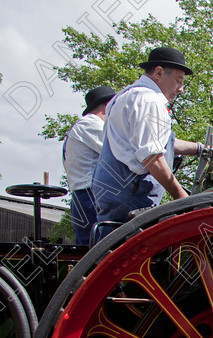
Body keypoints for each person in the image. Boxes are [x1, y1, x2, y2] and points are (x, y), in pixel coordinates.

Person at [91, 46, 204, 242]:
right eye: (179, 80)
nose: (181, 89)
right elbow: (152, 156)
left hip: (116, 193)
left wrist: (200, 148)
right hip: (131, 198)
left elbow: (159, 143)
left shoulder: (127, 95)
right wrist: (183, 198)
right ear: (159, 72)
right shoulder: (149, 100)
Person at [62, 85, 115, 245]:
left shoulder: (81, 126)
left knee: (88, 245)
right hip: (92, 194)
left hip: (83, 194)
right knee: (100, 246)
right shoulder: (92, 124)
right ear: (107, 106)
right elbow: (119, 151)